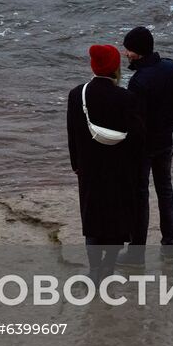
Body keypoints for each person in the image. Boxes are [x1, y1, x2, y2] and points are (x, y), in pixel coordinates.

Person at [67, 44, 146, 281]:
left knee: (92, 219)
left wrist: (77, 165)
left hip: (89, 169)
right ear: (115, 68)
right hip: (119, 170)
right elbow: (138, 138)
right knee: (115, 220)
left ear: (93, 66)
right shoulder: (126, 98)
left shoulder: (76, 94)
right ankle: (108, 269)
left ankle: (93, 271)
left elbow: (72, 134)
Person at [122, 26, 173, 260]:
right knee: (165, 190)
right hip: (165, 141)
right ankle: (169, 242)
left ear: (139, 52)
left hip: (143, 148)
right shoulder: (172, 68)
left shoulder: (138, 82)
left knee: (139, 195)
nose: (126, 54)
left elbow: (134, 123)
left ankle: (136, 251)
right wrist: (169, 124)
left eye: (129, 50)